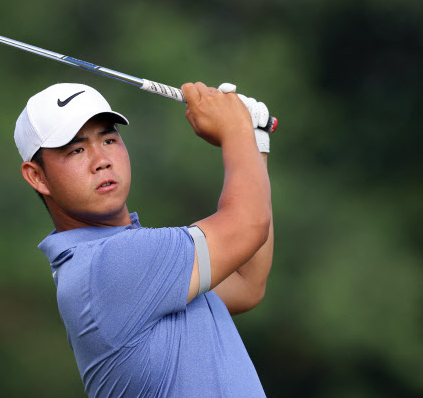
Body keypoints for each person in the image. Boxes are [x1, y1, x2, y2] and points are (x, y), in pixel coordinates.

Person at [14, 81, 273, 397]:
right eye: (76, 150)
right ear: (37, 176)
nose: (101, 160)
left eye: (109, 139)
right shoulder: (107, 265)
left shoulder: (124, 263)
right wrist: (236, 130)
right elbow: (248, 226)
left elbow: (246, 282)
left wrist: (253, 141)